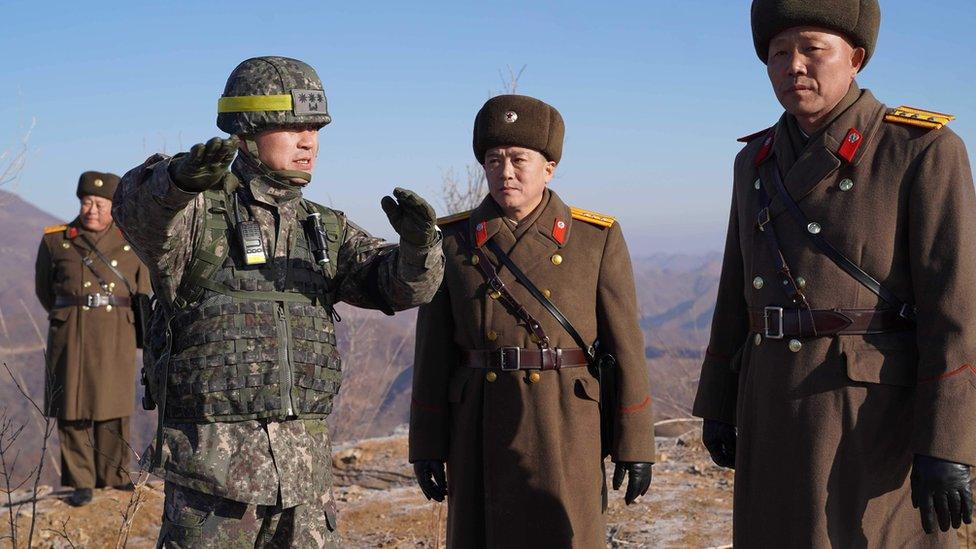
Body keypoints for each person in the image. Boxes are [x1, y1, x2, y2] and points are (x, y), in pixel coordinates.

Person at [113, 56, 444, 547]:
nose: (307, 140)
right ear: (246, 131)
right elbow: (137, 212)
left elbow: (399, 286)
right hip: (214, 487)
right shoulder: (196, 216)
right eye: (290, 127)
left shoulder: (322, 227)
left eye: (313, 128)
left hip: (306, 486)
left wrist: (420, 248)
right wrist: (177, 182)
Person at [693, 0, 976, 545]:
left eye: (811, 49)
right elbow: (736, 289)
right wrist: (719, 401)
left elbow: (956, 306)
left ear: (856, 57)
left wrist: (948, 440)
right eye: (778, 53)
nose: (793, 65)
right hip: (771, 397)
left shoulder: (921, 150)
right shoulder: (754, 159)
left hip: (869, 412)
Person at [409, 94, 654, 548]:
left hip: (566, 422)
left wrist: (635, 443)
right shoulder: (452, 241)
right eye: (493, 160)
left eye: (519, 159)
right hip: (479, 424)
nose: (505, 172)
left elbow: (626, 347)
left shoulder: (594, 238)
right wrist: (426, 443)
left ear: (549, 166)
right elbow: (433, 352)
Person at [35, 171, 150, 507]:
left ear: (113, 207)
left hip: (117, 331)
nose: (92, 210)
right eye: (87, 202)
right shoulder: (57, 241)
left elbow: (143, 293)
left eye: (100, 203)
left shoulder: (132, 242)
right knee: (71, 407)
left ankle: (114, 476)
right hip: (71, 331)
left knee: (112, 405)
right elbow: (45, 291)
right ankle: (80, 482)